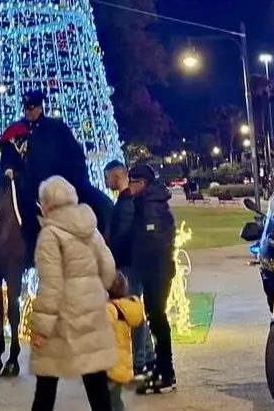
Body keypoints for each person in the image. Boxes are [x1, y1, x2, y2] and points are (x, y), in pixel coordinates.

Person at [29, 176, 118, 411]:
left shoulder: (50, 235)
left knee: (46, 386)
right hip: (91, 314)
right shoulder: (90, 229)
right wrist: (94, 291)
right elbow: (108, 268)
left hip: (62, 320)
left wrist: (41, 329)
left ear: (46, 204)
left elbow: (51, 285)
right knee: (97, 385)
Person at [0, 90, 108, 258]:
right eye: (27, 108)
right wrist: (8, 168)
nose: (29, 112)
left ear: (40, 108)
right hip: (27, 187)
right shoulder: (16, 131)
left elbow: (74, 156)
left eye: (32, 108)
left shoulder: (57, 128)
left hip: (58, 186)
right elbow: (8, 155)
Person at [103, 161, 153, 382]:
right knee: (136, 311)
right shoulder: (127, 202)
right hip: (133, 263)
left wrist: (109, 252)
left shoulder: (125, 204)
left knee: (132, 314)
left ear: (116, 176)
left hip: (127, 265)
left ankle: (141, 362)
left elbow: (122, 237)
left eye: (107, 177)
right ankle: (147, 358)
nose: (105, 182)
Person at [128, 162, 176, 391]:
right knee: (154, 316)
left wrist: (138, 253)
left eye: (133, 182)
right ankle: (162, 367)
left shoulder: (150, 205)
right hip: (154, 269)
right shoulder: (145, 202)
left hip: (157, 270)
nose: (129, 186)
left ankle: (166, 372)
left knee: (157, 317)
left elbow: (155, 240)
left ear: (143, 183)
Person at [105, 271, 145, 411]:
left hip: (111, 365)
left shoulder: (110, 309)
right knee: (116, 399)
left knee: (110, 401)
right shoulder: (129, 308)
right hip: (123, 364)